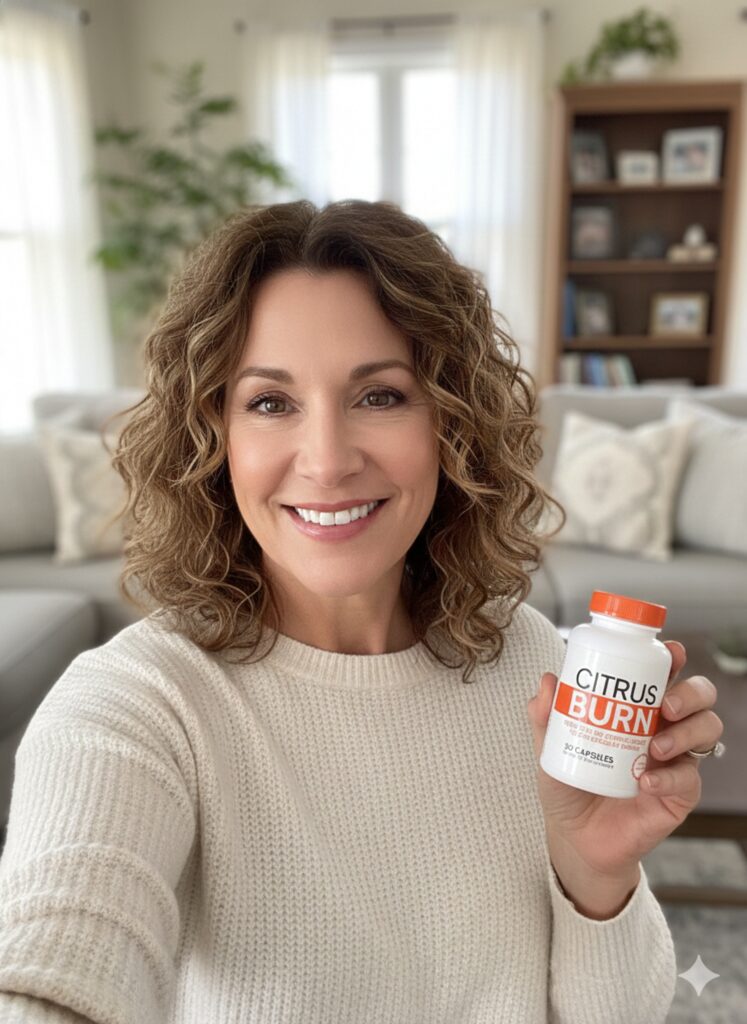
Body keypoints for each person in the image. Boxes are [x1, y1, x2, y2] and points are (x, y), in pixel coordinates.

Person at [0, 199, 723, 1023]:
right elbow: (59, 948)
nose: (327, 461)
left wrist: (597, 873)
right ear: (212, 436)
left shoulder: (534, 662)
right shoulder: (138, 702)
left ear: (452, 422)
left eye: (379, 395)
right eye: (270, 403)